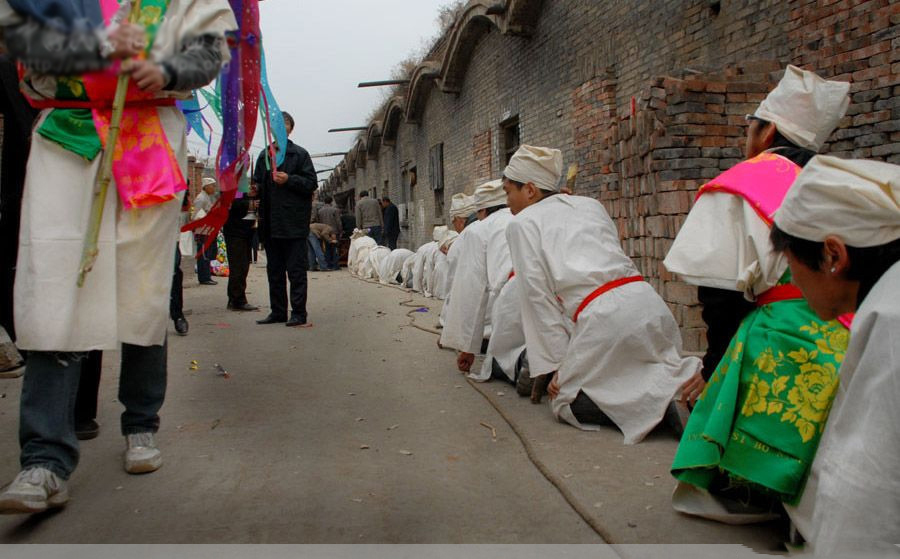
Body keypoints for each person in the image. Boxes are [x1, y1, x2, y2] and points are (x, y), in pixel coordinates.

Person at [0, 0, 236, 513]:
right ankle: (43, 459)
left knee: (143, 289)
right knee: (55, 288)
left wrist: (163, 68)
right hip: (66, 139)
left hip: (146, 139)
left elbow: (209, 53)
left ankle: (141, 423)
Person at [665, 67, 853, 517]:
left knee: (740, 355)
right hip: (851, 332)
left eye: (749, 128)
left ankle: (752, 484)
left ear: (766, 130)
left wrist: (714, 370)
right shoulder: (838, 182)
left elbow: (721, 296)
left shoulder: (743, 181)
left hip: (780, 336)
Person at [503, 145, 700, 444]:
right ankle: (686, 389)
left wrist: (558, 366)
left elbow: (537, 298)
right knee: (650, 366)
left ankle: (662, 406)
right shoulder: (589, 205)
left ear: (529, 190)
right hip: (647, 303)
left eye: (509, 193)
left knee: (564, 401)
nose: (508, 203)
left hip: (604, 319)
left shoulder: (521, 224)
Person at [769, 156, 900, 553]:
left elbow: (870, 490)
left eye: (791, 265)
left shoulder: (890, 319)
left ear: (832, 256)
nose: (792, 281)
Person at [440, 180, 513, 376]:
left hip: (504, 312)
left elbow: (471, 290)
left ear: (481, 211)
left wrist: (467, 347)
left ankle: (518, 363)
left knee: (502, 360)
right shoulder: (529, 218)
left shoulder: (477, 230)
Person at [254, 111, 318, 328]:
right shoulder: (264, 156)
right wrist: (253, 190)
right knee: (274, 271)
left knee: (296, 271)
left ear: (291, 128)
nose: (280, 127)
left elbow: (311, 184)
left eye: (285, 124)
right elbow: (258, 186)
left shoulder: (299, 155)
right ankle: (278, 311)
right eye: (275, 124)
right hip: (271, 224)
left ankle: (299, 312)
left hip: (293, 223)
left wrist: (289, 179)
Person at [223, 186, 259, 311]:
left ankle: (235, 298)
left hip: (244, 232)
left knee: (243, 266)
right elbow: (234, 204)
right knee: (238, 266)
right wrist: (251, 204)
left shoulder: (241, 186)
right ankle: (237, 300)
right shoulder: (234, 186)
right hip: (236, 232)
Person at [193, 177, 218, 286]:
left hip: (207, 230)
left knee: (207, 253)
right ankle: (203, 277)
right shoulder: (201, 198)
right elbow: (195, 215)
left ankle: (206, 275)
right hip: (202, 230)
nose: (214, 188)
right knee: (203, 253)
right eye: (212, 185)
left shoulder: (207, 197)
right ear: (206, 186)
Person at [318, 195, 343, 270]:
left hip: (324, 231)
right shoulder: (335, 210)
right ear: (331, 201)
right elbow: (338, 222)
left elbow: (319, 221)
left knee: (327, 248)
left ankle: (328, 264)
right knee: (335, 248)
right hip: (334, 231)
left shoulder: (320, 211)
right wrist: (341, 231)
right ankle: (335, 265)